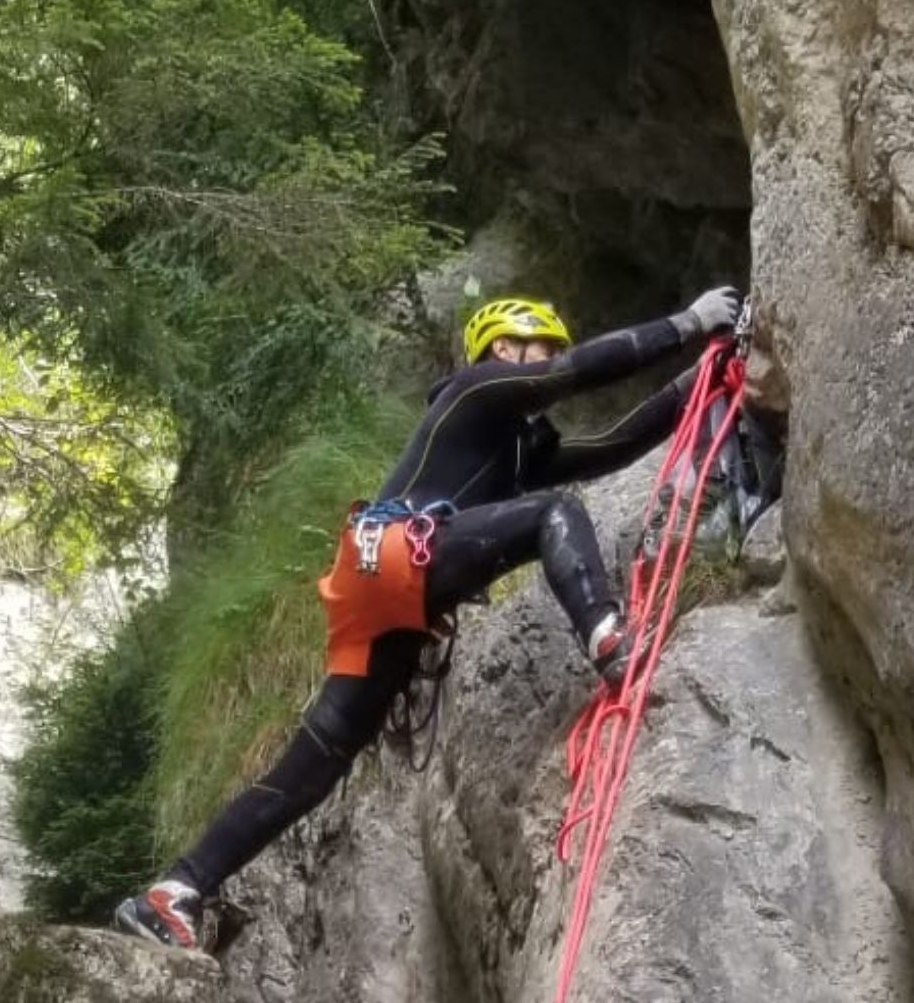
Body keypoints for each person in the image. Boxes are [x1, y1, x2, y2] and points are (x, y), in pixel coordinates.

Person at [114, 287, 744, 950]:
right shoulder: (473, 391)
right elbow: (573, 372)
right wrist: (688, 323)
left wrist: (697, 379)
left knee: (313, 769)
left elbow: (611, 445)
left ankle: (176, 890)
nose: (544, 362)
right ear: (502, 351)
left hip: (377, 596)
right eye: (535, 349)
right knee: (554, 513)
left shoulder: (513, 449)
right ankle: (611, 639)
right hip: (401, 556)